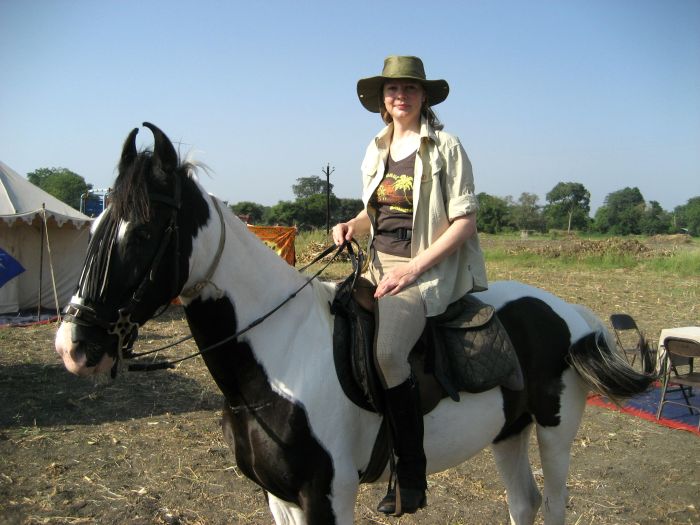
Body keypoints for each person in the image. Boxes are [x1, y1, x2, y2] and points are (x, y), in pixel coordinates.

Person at [332, 55, 488, 516]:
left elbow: (464, 223)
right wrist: (351, 225)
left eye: (410, 89)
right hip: (374, 265)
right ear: (383, 100)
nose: (400, 96)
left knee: (386, 354)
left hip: (423, 270)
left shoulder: (446, 147)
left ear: (424, 97)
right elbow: (376, 213)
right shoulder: (375, 148)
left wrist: (412, 268)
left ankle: (411, 475)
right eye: (392, 89)